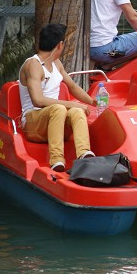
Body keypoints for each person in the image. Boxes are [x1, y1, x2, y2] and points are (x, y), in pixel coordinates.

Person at [19, 24, 97, 172]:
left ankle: (84, 154)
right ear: (60, 45)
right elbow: (38, 100)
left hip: (56, 120)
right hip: (33, 124)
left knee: (76, 112)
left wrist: (92, 102)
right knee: (61, 109)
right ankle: (56, 160)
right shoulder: (33, 65)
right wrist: (72, 104)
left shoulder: (56, 63)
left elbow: (72, 87)